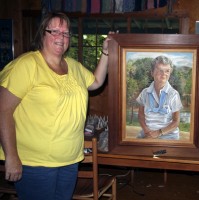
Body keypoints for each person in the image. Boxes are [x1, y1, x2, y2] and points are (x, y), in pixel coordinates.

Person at [0, 12, 115, 200]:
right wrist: (11, 156)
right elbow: (3, 110)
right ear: (42, 34)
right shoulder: (26, 65)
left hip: (70, 159)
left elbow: (96, 82)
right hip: (35, 162)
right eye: (55, 31)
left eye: (66, 33)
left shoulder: (73, 66)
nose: (61, 37)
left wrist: (105, 52)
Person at [136, 55, 183, 140]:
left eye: (167, 71)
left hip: (168, 135)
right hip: (148, 132)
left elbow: (176, 122)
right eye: (160, 70)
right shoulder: (145, 93)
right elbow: (141, 115)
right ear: (152, 72)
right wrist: (147, 131)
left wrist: (159, 133)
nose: (164, 74)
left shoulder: (173, 94)